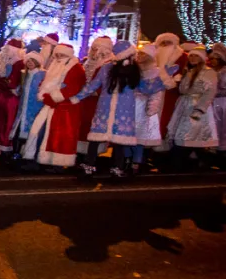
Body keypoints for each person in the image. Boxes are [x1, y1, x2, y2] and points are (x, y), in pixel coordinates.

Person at [71, 41, 171, 177]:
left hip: (124, 111)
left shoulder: (135, 71)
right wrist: (77, 97)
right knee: (96, 139)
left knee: (120, 141)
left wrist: (162, 80)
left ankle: (117, 166)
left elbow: (146, 88)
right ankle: (90, 164)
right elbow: (93, 86)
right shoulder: (106, 69)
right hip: (105, 109)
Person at [22, 43, 86, 170]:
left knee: (58, 137)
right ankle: (36, 158)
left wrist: (54, 97)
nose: (58, 57)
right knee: (39, 131)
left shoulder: (75, 67)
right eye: (57, 54)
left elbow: (73, 87)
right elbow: (47, 82)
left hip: (65, 108)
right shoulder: (54, 65)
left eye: (61, 54)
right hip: (51, 105)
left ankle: (56, 163)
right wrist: (44, 93)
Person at [166, 46, 219, 171]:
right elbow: (184, 90)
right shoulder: (189, 72)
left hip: (196, 107)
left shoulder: (208, 72)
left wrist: (200, 109)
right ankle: (196, 162)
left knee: (189, 135)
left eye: (196, 56)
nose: (193, 58)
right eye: (191, 55)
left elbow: (210, 92)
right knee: (189, 136)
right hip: (185, 106)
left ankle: (177, 163)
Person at [126, 44, 177, 173]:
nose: (139, 56)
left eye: (143, 54)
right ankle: (126, 159)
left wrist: (152, 107)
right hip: (130, 106)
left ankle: (136, 162)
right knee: (126, 135)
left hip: (144, 107)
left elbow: (157, 92)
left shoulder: (156, 72)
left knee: (140, 137)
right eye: (139, 53)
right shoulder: (133, 70)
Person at [77, 36, 114, 155]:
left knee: (93, 126)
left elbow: (106, 85)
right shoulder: (87, 62)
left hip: (97, 102)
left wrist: (93, 92)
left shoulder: (108, 65)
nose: (93, 51)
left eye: (96, 49)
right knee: (82, 125)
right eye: (92, 48)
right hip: (83, 100)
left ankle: (91, 155)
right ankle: (81, 152)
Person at [0, 38, 25, 154]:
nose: (5, 52)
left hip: (9, 99)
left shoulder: (19, 64)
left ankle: (5, 147)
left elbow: (12, 83)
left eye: (7, 49)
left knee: (6, 123)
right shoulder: (6, 63)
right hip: (1, 96)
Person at [9, 52, 46, 159]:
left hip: (35, 108)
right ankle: (16, 153)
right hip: (23, 108)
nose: (30, 63)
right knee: (18, 131)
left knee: (31, 132)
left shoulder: (42, 74)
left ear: (37, 62)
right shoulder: (25, 74)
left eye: (32, 61)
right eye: (28, 61)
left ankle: (28, 155)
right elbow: (21, 89)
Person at [154, 33, 187, 146]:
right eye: (163, 43)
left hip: (171, 92)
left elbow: (184, 74)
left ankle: (164, 144)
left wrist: (174, 82)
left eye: (168, 42)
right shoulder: (154, 56)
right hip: (154, 91)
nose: (165, 45)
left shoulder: (182, 56)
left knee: (168, 117)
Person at [210, 43, 226, 163]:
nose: (213, 61)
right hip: (212, 102)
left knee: (222, 126)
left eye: (215, 59)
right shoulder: (211, 71)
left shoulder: (223, 72)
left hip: (222, 102)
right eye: (211, 59)